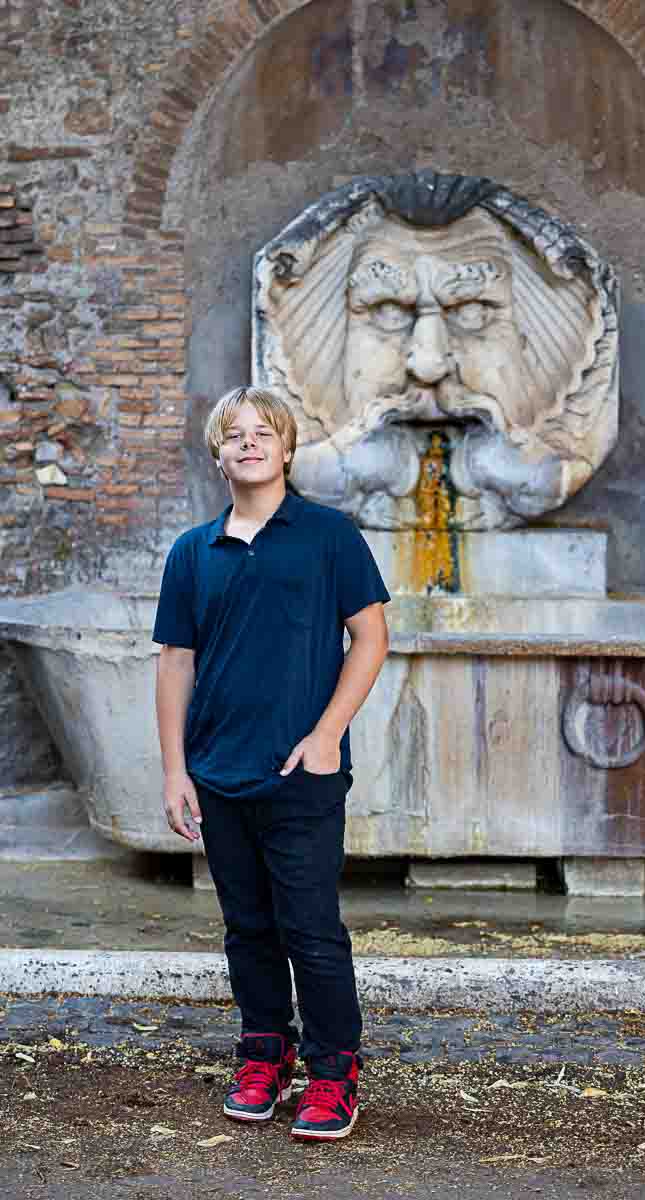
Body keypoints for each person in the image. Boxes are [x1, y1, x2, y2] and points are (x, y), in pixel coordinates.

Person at [153, 385, 390, 1142]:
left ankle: (332, 1074)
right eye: (234, 434)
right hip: (219, 772)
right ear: (217, 453)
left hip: (302, 773)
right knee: (246, 929)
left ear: (286, 449)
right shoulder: (194, 551)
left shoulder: (328, 536)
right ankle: (264, 1053)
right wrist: (174, 769)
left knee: (312, 930)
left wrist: (327, 736)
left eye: (264, 433)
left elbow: (372, 638)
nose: (249, 443)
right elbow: (174, 663)